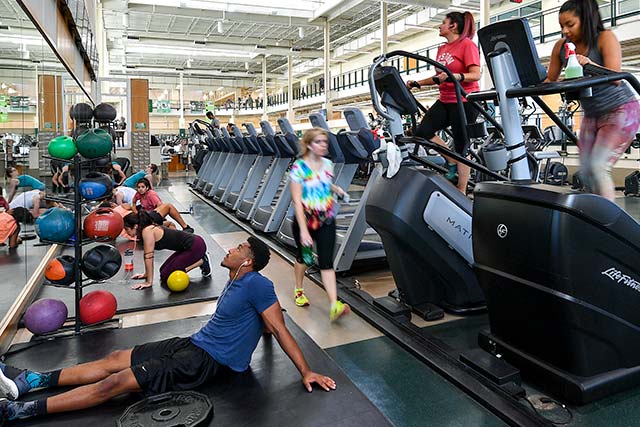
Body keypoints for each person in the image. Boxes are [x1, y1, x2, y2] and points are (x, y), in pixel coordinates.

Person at [0, 237, 336, 422]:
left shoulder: (257, 285)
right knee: (117, 357)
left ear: (247, 261)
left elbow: (279, 328)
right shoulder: (236, 278)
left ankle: (21, 411)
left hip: (206, 362)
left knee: (117, 383)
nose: (231, 249)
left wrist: (306, 371)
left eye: (238, 249)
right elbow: (262, 324)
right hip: (192, 343)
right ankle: (33, 381)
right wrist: (256, 334)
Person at [546, 0, 640, 201]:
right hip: (592, 113)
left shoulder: (605, 38)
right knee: (586, 172)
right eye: (562, 26)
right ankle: (593, 218)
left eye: (570, 25)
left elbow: (616, 79)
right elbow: (549, 80)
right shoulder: (561, 47)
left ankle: (607, 224)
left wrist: (589, 64)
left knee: (598, 167)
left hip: (621, 110)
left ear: (586, 20)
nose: (565, 31)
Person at [405, 11, 481, 194]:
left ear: (453, 26)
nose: (440, 26)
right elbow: (439, 78)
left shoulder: (467, 45)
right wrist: (418, 84)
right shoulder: (442, 49)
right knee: (422, 131)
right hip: (445, 99)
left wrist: (457, 76)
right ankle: (451, 160)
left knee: (462, 146)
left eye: (443, 23)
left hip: (464, 101)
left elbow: (476, 74)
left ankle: (461, 190)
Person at [289, 128, 350, 321]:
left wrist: (335, 188)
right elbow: (297, 201)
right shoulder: (299, 167)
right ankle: (299, 290)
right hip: (305, 220)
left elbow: (322, 182)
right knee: (304, 259)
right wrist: (305, 231)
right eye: (318, 142)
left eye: (325, 142)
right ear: (308, 145)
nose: (323, 145)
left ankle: (334, 304)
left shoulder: (328, 164)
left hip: (326, 219)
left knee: (326, 262)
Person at [123, 211, 209, 290]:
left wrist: (148, 282)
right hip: (186, 247)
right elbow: (147, 256)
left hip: (196, 246)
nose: (126, 232)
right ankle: (200, 259)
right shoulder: (147, 229)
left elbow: (148, 257)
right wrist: (146, 274)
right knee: (163, 271)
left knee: (166, 276)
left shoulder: (147, 231)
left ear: (135, 226)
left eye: (127, 229)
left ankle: (201, 261)